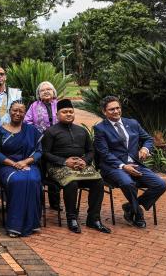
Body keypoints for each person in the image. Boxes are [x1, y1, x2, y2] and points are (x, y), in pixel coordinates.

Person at [94, 96, 166, 229]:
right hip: (113, 167)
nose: (116, 111)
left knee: (160, 184)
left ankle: (130, 206)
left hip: (135, 163)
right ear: (104, 112)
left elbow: (148, 139)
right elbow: (104, 153)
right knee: (128, 183)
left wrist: (145, 148)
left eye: (118, 108)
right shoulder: (100, 129)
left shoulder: (132, 123)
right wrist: (123, 166)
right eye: (111, 109)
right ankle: (137, 214)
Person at [42, 99, 110, 234]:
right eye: (64, 112)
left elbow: (91, 151)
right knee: (71, 182)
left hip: (80, 165)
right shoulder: (51, 132)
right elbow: (45, 153)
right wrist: (64, 161)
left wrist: (85, 161)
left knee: (98, 182)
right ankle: (71, 218)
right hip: (58, 166)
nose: (68, 114)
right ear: (57, 114)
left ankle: (93, 219)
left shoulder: (82, 131)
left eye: (71, 112)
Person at [0, 100, 42, 237]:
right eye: (15, 110)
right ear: (9, 111)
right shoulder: (0, 131)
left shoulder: (31, 130)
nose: (17, 113)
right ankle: (14, 225)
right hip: (7, 166)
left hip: (29, 164)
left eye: (21, 111)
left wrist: (26, 162)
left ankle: (32, 223)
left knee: (33, 179)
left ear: (25, 113)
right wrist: (13, 164)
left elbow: (39, 151)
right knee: (17, 181)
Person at [24, 81, 60, 210]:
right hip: (39, 143)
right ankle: (39, 201)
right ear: (38, 94)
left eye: (49, 89)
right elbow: (26, 122)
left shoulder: (59, 104)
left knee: (55, 172)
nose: (46, 92)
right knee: (40, 171)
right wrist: (38, 131)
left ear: (54, 92)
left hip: (57, 144)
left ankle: (55, 202)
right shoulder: (34, 106)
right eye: (42, 90)